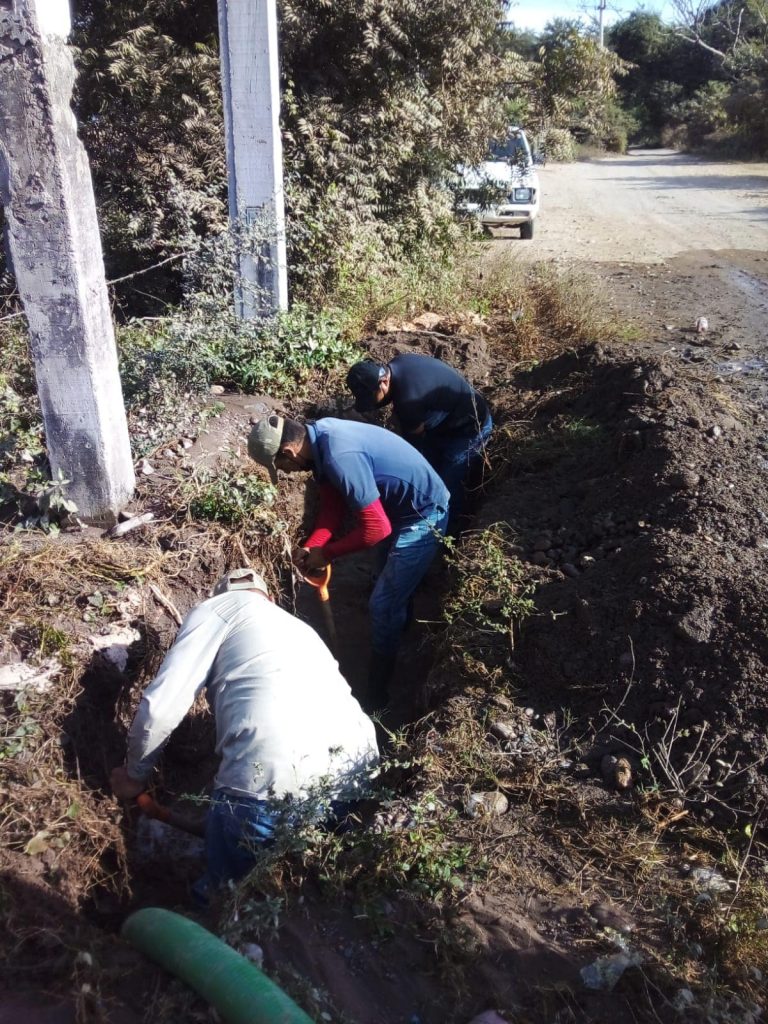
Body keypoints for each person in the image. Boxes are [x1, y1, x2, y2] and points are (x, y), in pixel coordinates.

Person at [110, 567, 378, 899]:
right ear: (268, 597)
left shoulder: (218, 608)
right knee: (310, 894)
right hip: (354, 779)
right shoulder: (300, 627)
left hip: (267, 784)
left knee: (228, 900)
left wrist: (135, 774)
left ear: (220, 594)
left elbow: (162, 706)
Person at [247, 415, 449, 708]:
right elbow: (332, 508)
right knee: (387, 586)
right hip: (398, 508)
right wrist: (313, 546)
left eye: (282, 467)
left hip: (425, 513)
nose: (287, 472)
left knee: (382, 605)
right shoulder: (320, 441)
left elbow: (377, 529)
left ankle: (377, 694)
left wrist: (327, 554)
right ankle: (400, 628)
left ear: (289, 453)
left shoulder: (340, 456)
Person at [346, 353, 493, 529]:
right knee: (433, 472)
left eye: (370, 397)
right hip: (447, 422)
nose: (371, 404)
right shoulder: (399, 362)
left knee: (446, 488)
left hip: (469, 432)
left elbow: (414, 452)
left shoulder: (408, 401)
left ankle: (448, 532)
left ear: (383, 382)